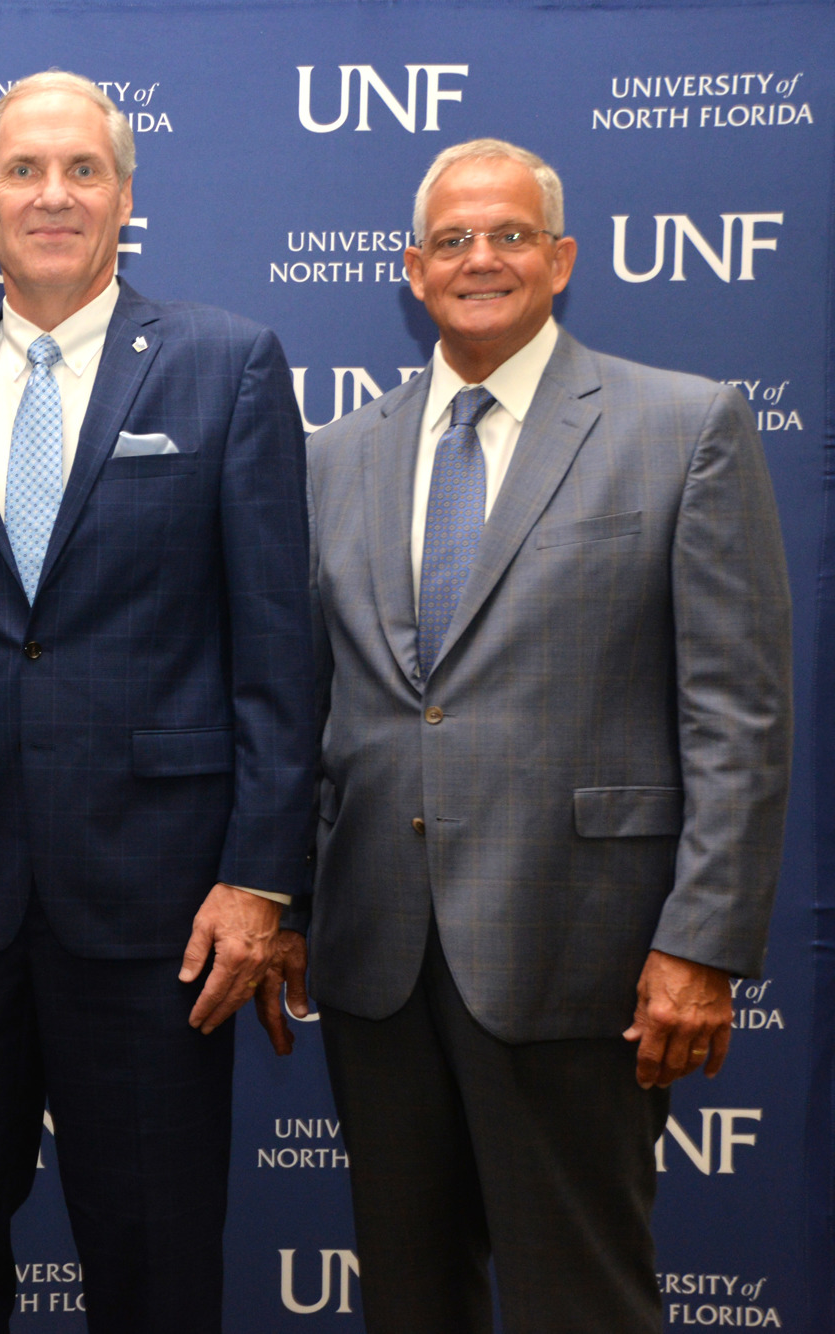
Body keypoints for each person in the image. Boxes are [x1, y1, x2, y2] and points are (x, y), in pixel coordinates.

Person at [262, 137, 790, 1332]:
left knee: (580, 1300)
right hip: (377, 959)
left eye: (507, 235)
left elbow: (737, 715)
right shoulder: (332, 456)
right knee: (407, 1298)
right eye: (450, 239)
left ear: (559, 259)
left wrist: (698, 944)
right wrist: (285, 900)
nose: (479, 258)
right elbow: (307, 705)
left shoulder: (681, 426)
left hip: (581, 956)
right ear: (409, 269)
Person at [0, 70, 317, 1332]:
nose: (51, 194)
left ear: (122, 200)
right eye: (22, 170)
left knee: (154, 1255)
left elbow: (275, 649)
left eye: (80, 170)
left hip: (161, 903)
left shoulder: (228, 366)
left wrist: (261, 876)